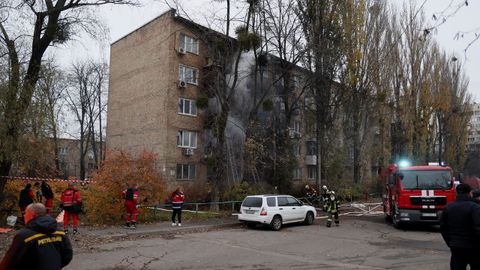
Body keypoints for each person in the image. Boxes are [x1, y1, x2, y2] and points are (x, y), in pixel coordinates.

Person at [0, 203, 73, 270]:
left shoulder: (25, 236)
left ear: (32, 215)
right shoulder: (60, 232)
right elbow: (68, 255)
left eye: (25, 213)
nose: (24, 216)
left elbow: (9, 262)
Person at [440, 183, 480, 270]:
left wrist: (450, 242)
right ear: (470, 193)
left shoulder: (448, 207)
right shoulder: (474, 207)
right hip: (473, 247)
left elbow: (443, 228)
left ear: (456, 193)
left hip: (456, 247)